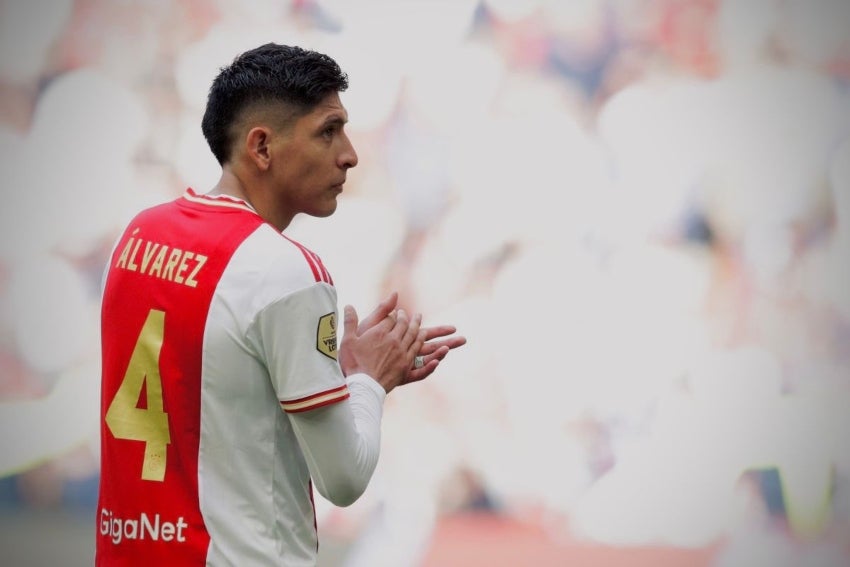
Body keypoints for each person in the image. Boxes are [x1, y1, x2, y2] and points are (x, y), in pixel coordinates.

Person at [95, 42, 466, 566]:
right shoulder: (286, 270)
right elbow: (343, 478)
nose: (350, 154)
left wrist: (328, 374)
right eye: (328, 131)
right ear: (262, 147)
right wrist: (368, 381)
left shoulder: (138, 233)